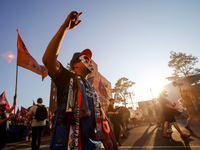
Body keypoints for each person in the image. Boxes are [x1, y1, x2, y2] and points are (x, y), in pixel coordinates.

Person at [42, 11, 117, 150]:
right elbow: (47, 59)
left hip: (92, 145)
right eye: (85, 59)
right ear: (75, 65)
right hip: (67, 145)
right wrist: (65, 28)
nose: (90, 61)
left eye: (90, 59)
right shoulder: (67, 78)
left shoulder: (90, 88)